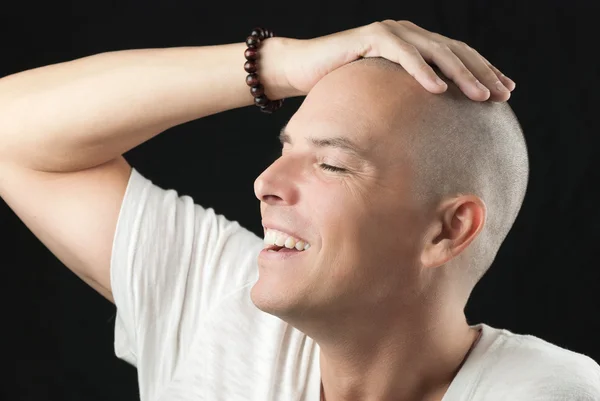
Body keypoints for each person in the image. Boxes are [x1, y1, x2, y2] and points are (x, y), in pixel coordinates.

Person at [0, 19, 598, 401]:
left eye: (332, 165)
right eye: (284, 151)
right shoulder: (222, 304)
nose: (265, 183)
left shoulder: (549, 392)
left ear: (448, 229)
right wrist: (278, 64)